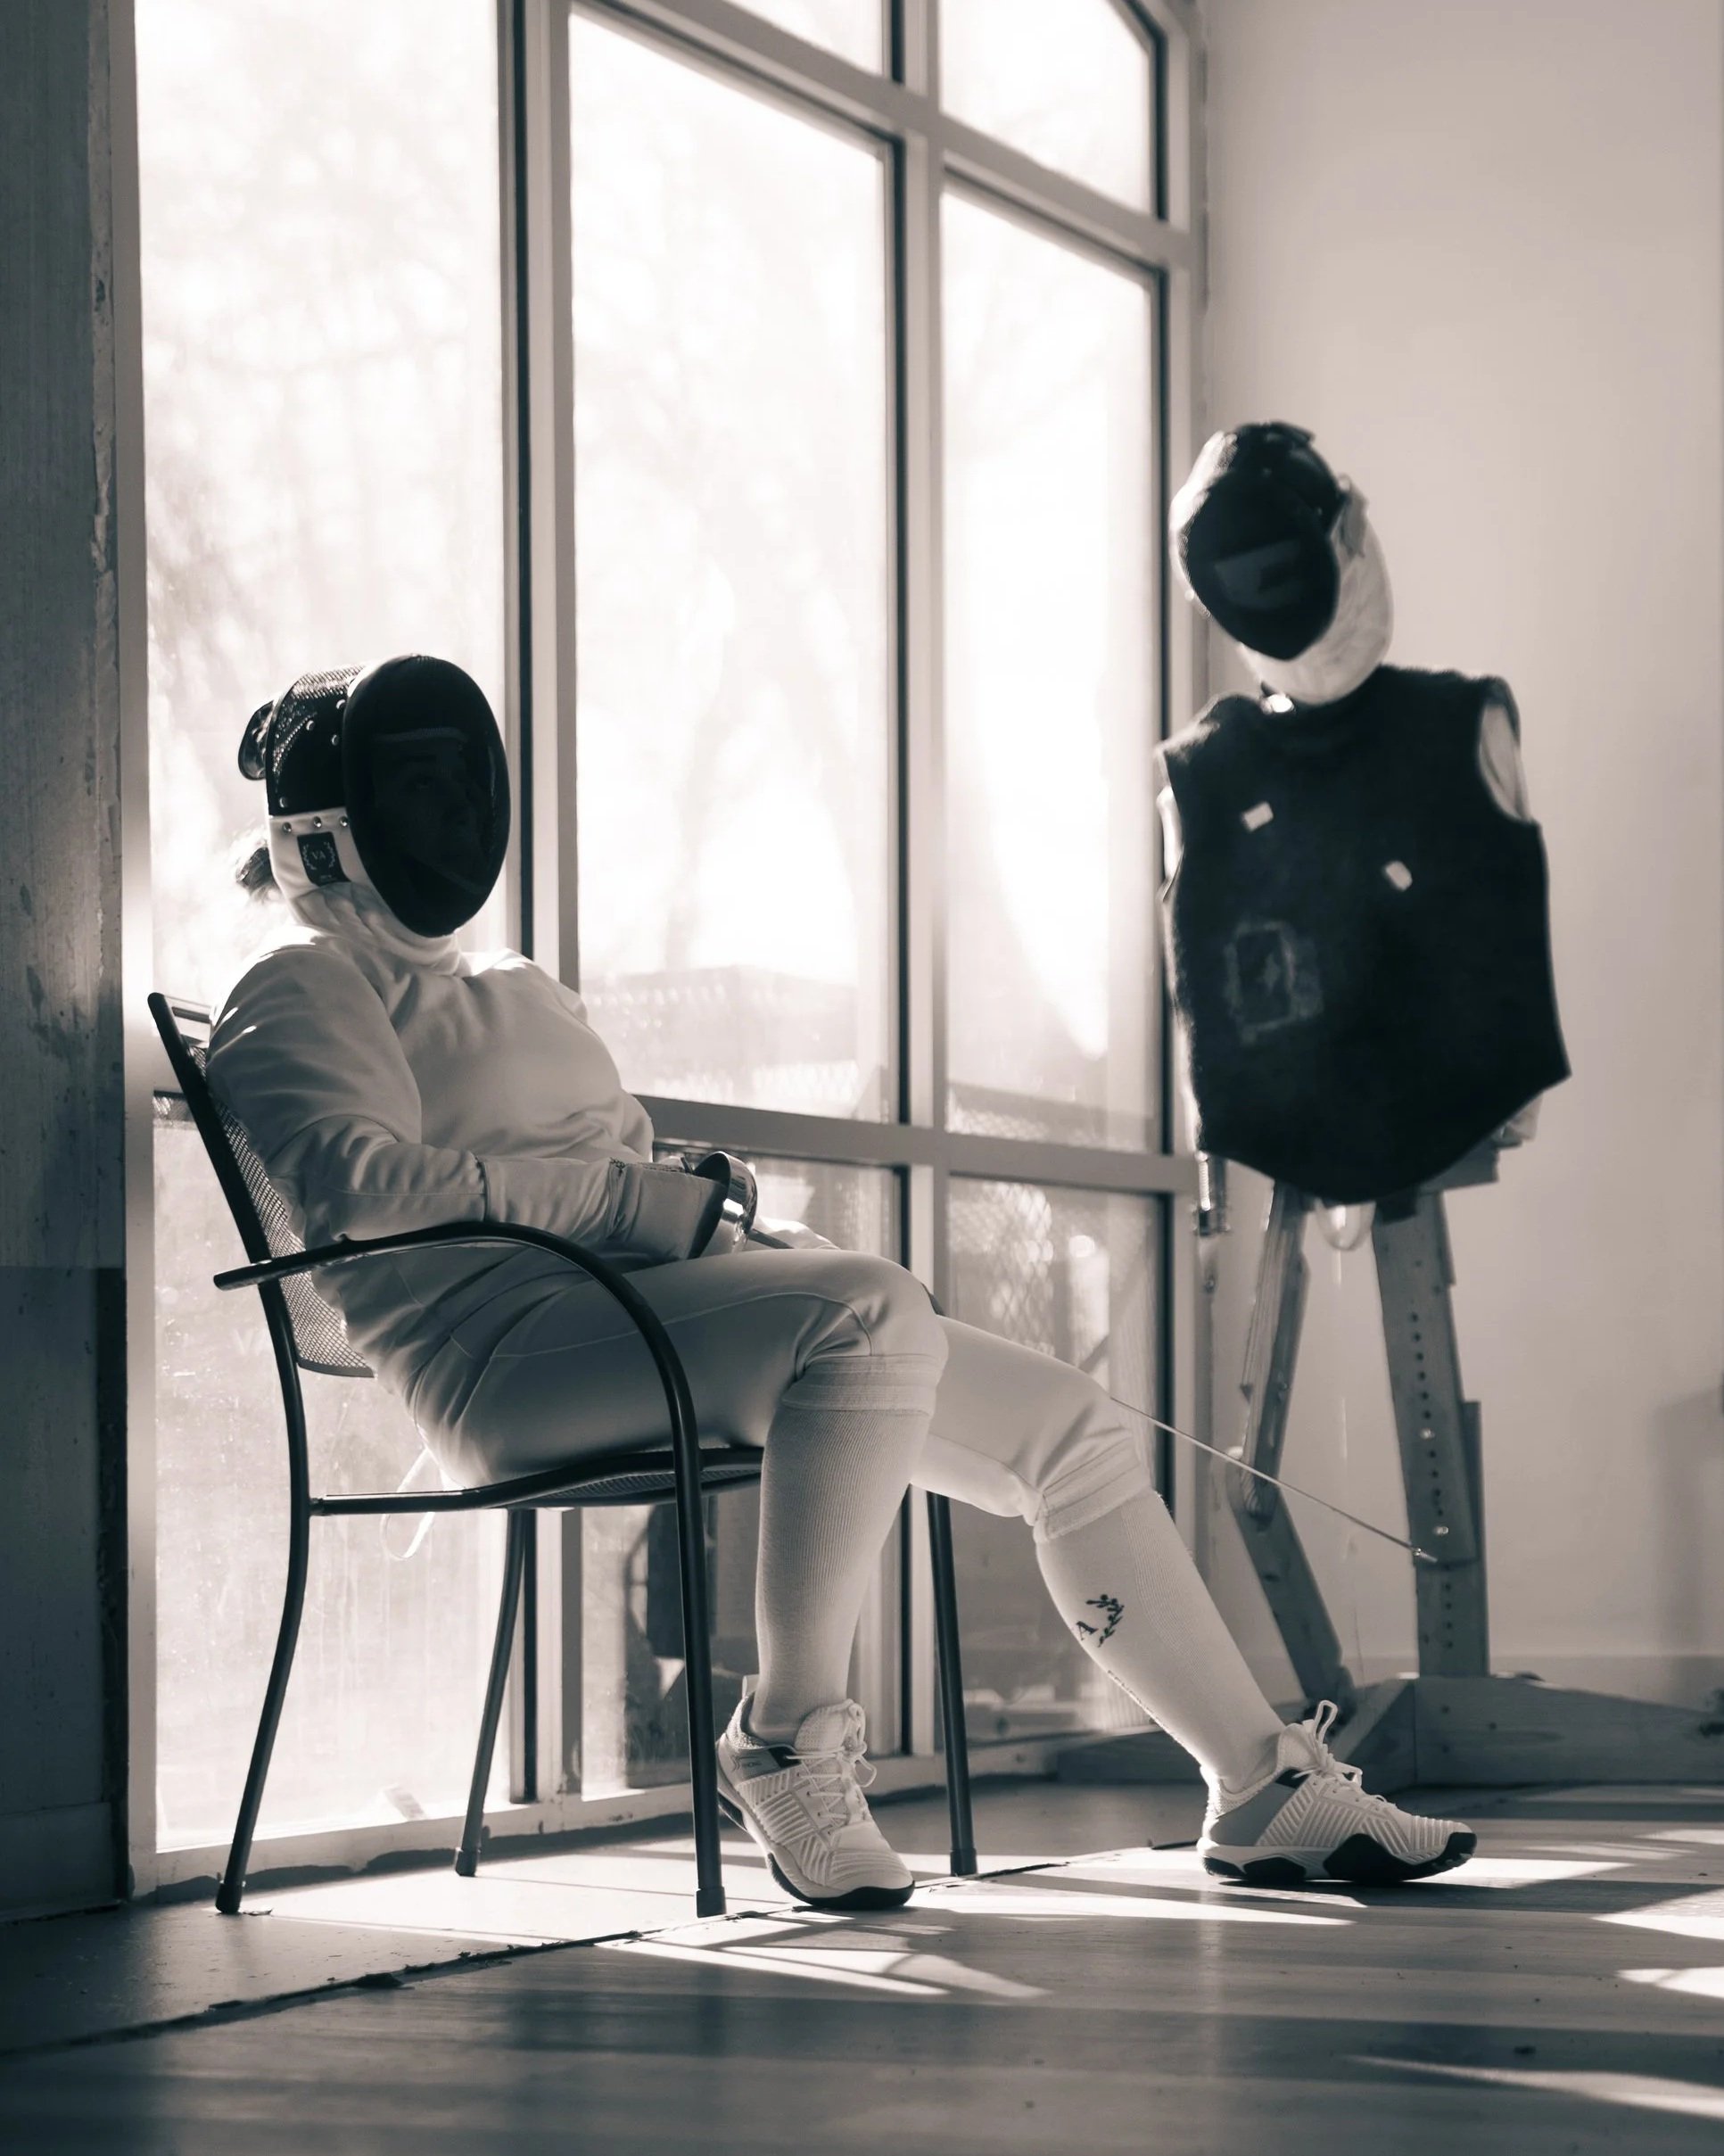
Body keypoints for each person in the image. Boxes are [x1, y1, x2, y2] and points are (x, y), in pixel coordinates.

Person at [208, 654, 1476, 1910]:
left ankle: (1258, 1785)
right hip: (496, 1360)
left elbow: (608, 1169)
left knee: (1067, 1427)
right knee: (864, 1316)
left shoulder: (514, 985)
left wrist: (712, 1213)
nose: (449, 816)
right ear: (325, 833)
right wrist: (626, 1204)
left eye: (458, 785)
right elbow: (361, 1191)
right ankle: (784, 1736)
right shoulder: (299, 979)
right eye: (415, 790)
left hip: (632, 1319)